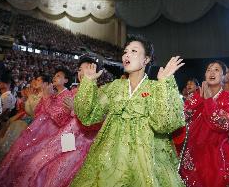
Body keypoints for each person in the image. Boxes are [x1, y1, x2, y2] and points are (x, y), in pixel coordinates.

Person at [71, 35, 185, 187]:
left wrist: (165, 82)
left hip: (146, 157)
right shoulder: (114, 87)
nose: (126, 55)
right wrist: (88, 83)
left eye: (133, 51)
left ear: (146, 60)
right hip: (111, 156)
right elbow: (88, 115)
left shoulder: (155, 87)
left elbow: (165, 123)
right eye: (125, 52)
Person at [0, 67, 98, 187]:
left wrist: (47, 98)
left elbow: (59, 118)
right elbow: (38, 112)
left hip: (55, 134)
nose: (54, 77)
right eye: (55, 75)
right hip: (39, 129)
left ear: (66, 80)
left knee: (38, 164)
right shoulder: (60, 93)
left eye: (58, 76)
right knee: (19, 155)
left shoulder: (68, 94)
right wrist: (45, 97)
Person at [180, 60, 229, 187]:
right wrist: (200, 98)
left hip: (218, 151)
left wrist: (209, 100)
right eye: (209, 69)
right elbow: (182, 117)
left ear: (223, 76)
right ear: (205, 75)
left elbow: (223, 124)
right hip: (194, 151)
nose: (212, 72)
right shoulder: (194, 97)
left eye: (216, 69)